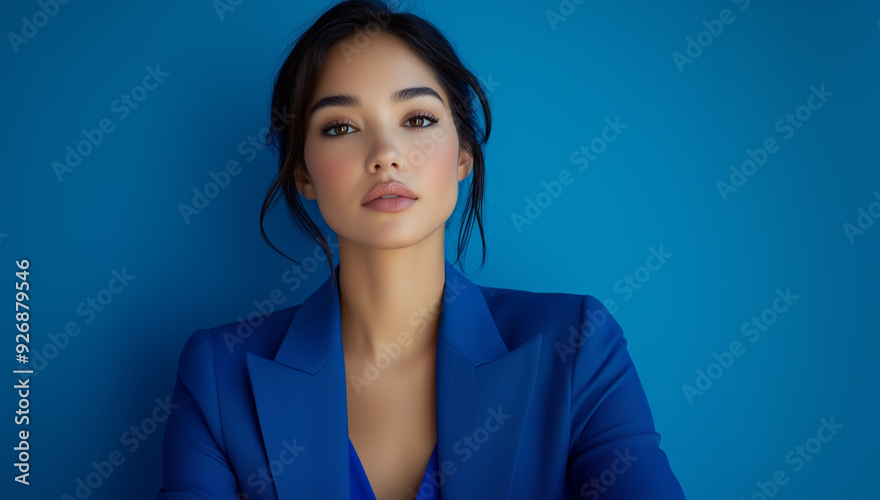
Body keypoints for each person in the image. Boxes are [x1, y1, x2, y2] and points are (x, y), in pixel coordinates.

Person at [157, 1, 687, 498]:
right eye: (340, 127)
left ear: (463, 156)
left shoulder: (576, 344)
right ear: (302, 172)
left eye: (418, 120)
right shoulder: (217, 373)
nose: (386, 155)